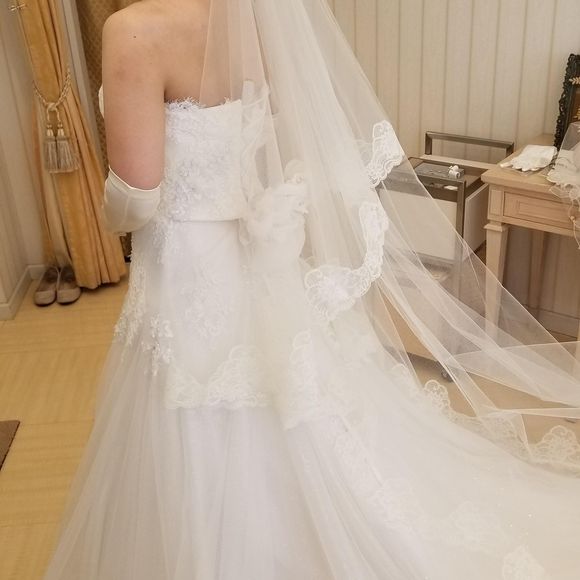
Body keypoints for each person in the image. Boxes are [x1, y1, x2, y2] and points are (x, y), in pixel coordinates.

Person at [43, 0, 580, 578]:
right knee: (272, 402)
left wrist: (101, 220)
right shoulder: (253, 17)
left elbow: (137, 198)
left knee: (191, 403)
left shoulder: (133, 30)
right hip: (249, 252)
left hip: (184, 266)